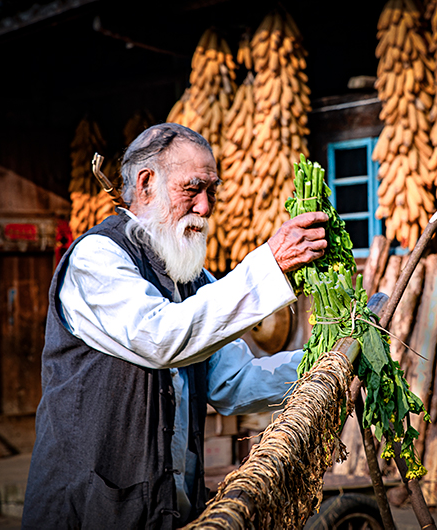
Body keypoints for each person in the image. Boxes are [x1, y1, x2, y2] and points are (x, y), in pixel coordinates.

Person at [21, 123, 328, 529]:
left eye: (212, 191)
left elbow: (233, 383)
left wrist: (327, 360)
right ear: (147, 183)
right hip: (90, 510)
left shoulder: (194, 280)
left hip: (168, 510)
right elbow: (162, 337)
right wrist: (269, 264)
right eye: (192, 189)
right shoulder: (96, 258)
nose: (205, 207)